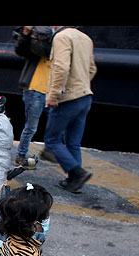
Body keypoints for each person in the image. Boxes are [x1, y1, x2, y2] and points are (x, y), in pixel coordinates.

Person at [43, 26, 97, 193]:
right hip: (85, 96)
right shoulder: (86, 38)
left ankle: (77, 173)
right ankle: (73, 181)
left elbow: (61, 67)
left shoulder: (62, 37)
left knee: (52, 139)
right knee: (73, 141)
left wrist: (54, 95)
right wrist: (81, 85)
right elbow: (92, 69)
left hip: (67, 98)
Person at [14, 26, 54, 169]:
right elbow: (21, 49)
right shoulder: (37, 47)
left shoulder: (58, 44)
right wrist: (25, 34)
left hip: (51, 93)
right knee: (31, 127)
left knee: (55, 124)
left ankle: (51, 151)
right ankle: (21, 155)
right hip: (35, 90)